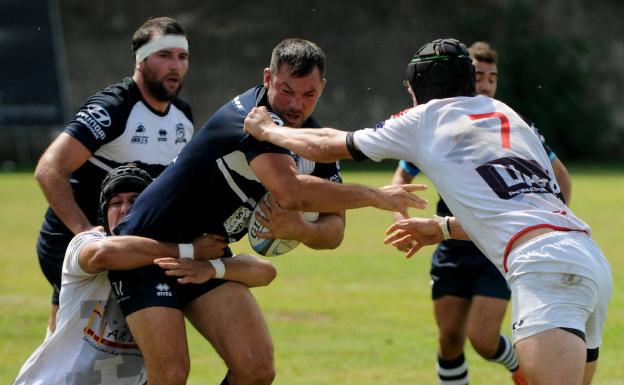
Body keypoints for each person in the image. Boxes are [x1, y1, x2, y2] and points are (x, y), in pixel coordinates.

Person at [243, 38, 612, 385]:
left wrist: (269, 130)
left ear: (415, 91)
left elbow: (325, 145)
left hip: (542, 267)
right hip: (587, 258)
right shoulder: (507, 115)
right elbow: (524, 207)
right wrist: (443, 228)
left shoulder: (425, 118)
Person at [107, 38, 425, 385]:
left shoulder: (314, 140)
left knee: (256, 369)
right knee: (170, 374)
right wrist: (376, 196)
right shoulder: (252, 119)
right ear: (268, 78)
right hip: (148, 250)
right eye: (287, 90)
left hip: (207, 256)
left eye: (309, 94)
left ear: (323, 88)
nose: (296, 105)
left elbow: (333, 232)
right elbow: (292, 191)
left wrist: (300, 229)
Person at [387, 41, 571, 385]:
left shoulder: (508, 124)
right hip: (450, 242)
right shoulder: (441, 126)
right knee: (450, 340)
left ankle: (520, 367)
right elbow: (402, 174)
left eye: (492, 77)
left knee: (483, 339)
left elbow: (561, 177)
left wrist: (546, 220)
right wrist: (401, 214)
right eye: (478, 76)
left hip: (497, 245)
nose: (485, 84)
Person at [13, 165, 276, 385]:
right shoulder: (87, 242)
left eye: (136, 201)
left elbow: (265, 272)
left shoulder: (173, 259)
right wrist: (190, 250)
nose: (125, 209)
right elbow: (103, 255)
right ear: (103, 214)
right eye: (116, 203)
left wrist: (212, 268)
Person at [34, 16, 194, 334]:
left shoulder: (183, 117)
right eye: (164, 56)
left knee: (118, 347)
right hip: (72, 241)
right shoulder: (113, 108)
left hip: (130, 245)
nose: (175, 66)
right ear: (141, 59)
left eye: (182, 57)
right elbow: (49, 169)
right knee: (69, 347)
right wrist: (85, 233)